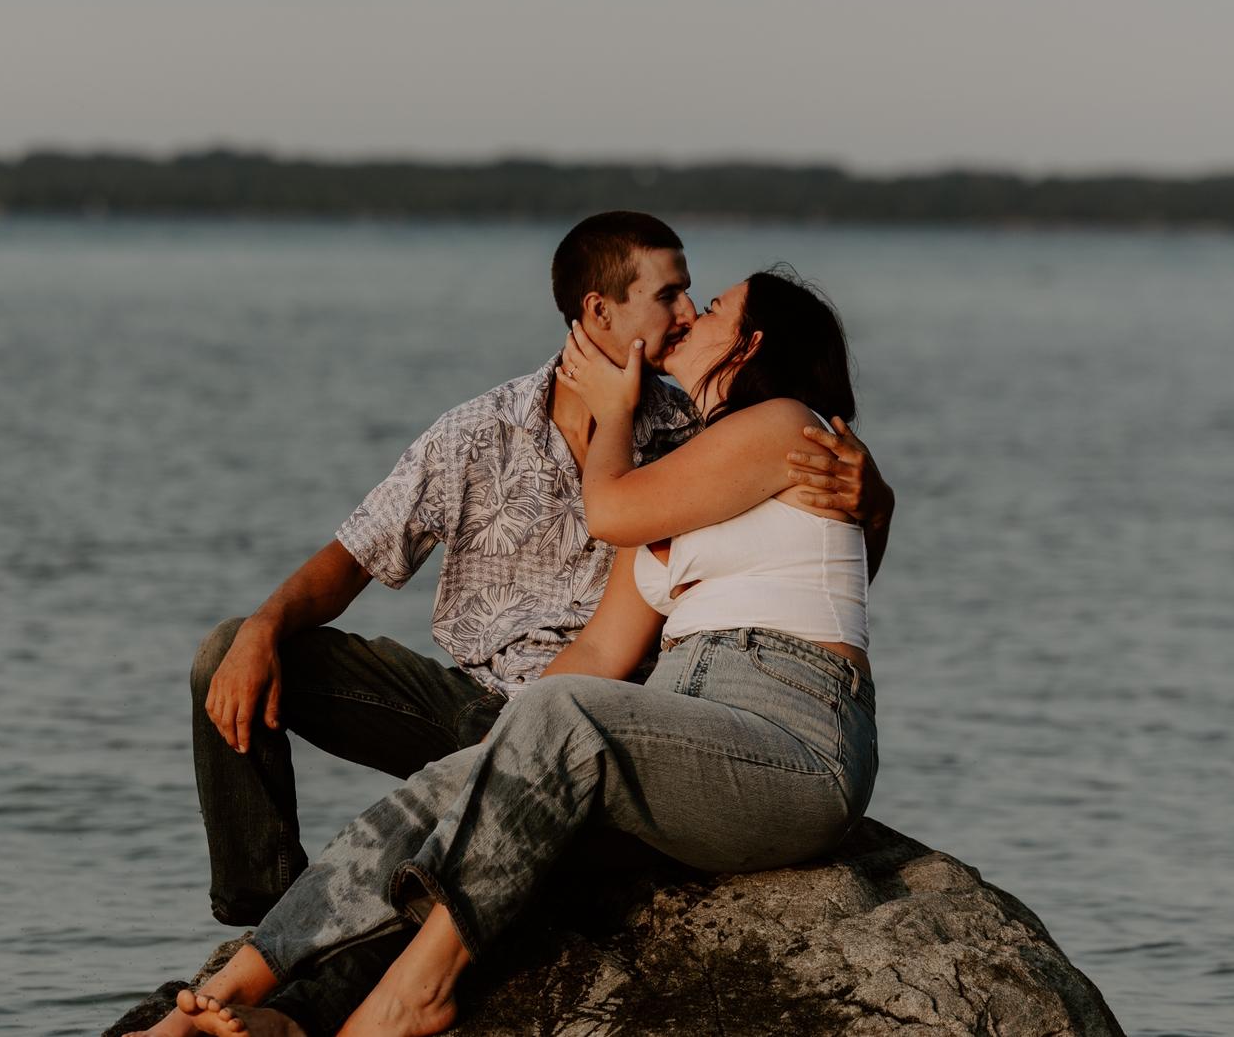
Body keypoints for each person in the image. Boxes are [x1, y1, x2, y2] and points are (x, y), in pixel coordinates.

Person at [129, 266, 882, 1037]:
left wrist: (614, 416)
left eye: (714, 306)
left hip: (793, 738)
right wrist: (504, 755)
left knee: (551, 720)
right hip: (675, 741)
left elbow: (610, 509)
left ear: (750, 344)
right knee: (445, 789)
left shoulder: (787, 426)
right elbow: (601, 650)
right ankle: (244, 989)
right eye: (679, 296)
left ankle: (419, 992)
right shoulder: (642, 469)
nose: (691, 313)